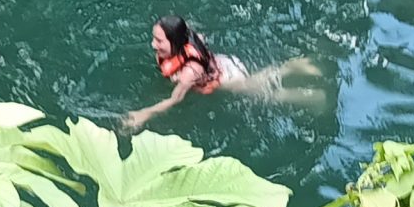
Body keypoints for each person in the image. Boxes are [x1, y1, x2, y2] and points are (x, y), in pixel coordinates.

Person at [124, 15, 321, 130]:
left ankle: (309, 97)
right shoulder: (185, 38)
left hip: (228, 79)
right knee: (260, 85)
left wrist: (145, 113)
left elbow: (175, 100)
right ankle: (296, 65)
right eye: (154, 38)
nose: (153, 44)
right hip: (222, 63)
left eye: (159, 41)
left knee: (265, 95)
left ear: (174, 42)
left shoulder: (189, 72)